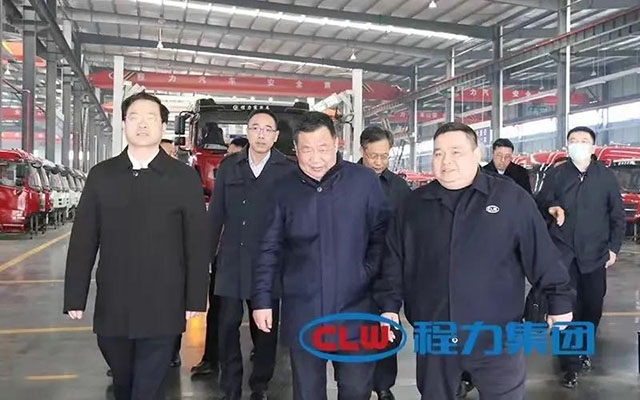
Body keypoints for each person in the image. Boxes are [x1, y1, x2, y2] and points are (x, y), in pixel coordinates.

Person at [381, 122, 574, 400]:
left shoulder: (510, 199)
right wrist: (389, 307)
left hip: (497, 335)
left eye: (456, 152)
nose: (446, 161)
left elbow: (541, 254)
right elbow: (394, 259)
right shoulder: (414, 205)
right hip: (436, 335)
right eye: (438, 153)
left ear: (476, 154)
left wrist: (560, 302)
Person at [64, 91, 209, 400]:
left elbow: (196, 243)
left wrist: (196, 299)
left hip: (163, 304)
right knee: (123, 384)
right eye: (134, 117)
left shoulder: (183, 178)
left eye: (150, 118)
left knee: (148, 388)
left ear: (163, 126)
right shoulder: (102, 176)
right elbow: (83, 239)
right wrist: (75, 296)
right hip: (113, 304)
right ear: (123, 124)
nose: (142, 124)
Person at [252, 112, 393, 400]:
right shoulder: (283, 188)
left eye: (323, 148)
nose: (315, 158)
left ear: (337, 143)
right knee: (307, 392)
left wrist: (368, 275)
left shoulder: (364, 182)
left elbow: (383, 238)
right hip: (304, 310)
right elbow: (269, 247)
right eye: (306, 150)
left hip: (357, 310)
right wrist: (262, 300)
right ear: (295, 149)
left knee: (356, 390)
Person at [209, 109, 296, 400]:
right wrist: (207, 259)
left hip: (268, 265)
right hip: (232, 261)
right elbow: (215, 215)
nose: (261, 134)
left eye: (267, 129)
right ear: (247, 132)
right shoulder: (229, 167)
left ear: (276, 136)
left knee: (266, 330)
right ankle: (230, 387)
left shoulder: (288, 170)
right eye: (255, 128)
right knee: (226, 327)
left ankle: (260, 384)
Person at [536, 126, 625, 389]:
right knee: (565, 308)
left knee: (592, 307)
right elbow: (541, 201)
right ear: (567, 146)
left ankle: (583, 349)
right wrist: (552, 207)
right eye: (573, 140)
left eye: (583, 140)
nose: (578, 144)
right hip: (563, 254)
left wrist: (613, 248)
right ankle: (569, 364)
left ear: (593, 146)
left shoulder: (605, 177)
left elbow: (617, 216)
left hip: (595, 255)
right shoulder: (556, 174)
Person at [358, 126, 410, 400]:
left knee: (386, 326)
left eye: (384, 156)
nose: (379, 162)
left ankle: (384, 386)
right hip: (354, 268)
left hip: (388, 269)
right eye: (373, 156)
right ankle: (357, 384)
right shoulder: (345, 180)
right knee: (356, 330)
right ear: (362, 151)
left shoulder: (399, 188)